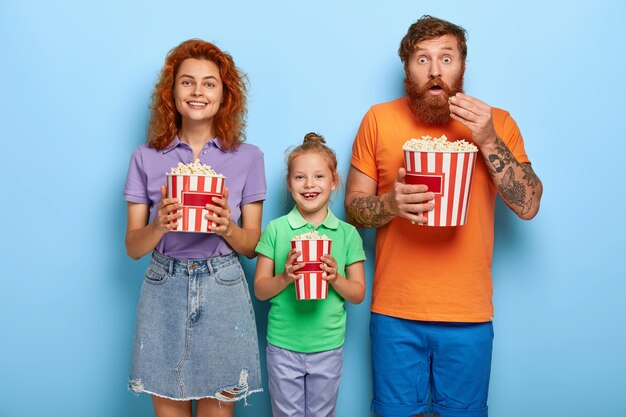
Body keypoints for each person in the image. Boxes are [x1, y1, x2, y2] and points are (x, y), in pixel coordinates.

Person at [345, 16, 543, 417]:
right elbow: (352, 208)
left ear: (463, 66)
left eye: (446, 58)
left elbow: (528, 204)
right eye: (422, 59)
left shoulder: (496, 122)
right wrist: (391, 205)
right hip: (396, 313)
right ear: (407, 68)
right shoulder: (379, 120)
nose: (435, 71)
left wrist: (487, 138)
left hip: (468, 314)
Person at [123, 39, 266, 417]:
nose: (198, 91)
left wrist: (227, 228)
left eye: (209, 83)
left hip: (223, 288)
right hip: (162, 286)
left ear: (224, 95)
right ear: (172, 92)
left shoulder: (249, 158)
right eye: (187, 82)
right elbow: (133, 247)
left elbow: (252, 245)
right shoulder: (146, 157)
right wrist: (159, 225)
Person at [254, 133, 366, 417]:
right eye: (300, 177)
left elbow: (358, 294)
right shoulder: (276, 230)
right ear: (290, 184)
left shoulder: (347, 234)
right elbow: (260, 290)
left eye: (318, 176)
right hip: (282, 346)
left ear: (333, 181)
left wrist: (335, 278)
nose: (310, 184)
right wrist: (285, 277)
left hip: (328, 347)